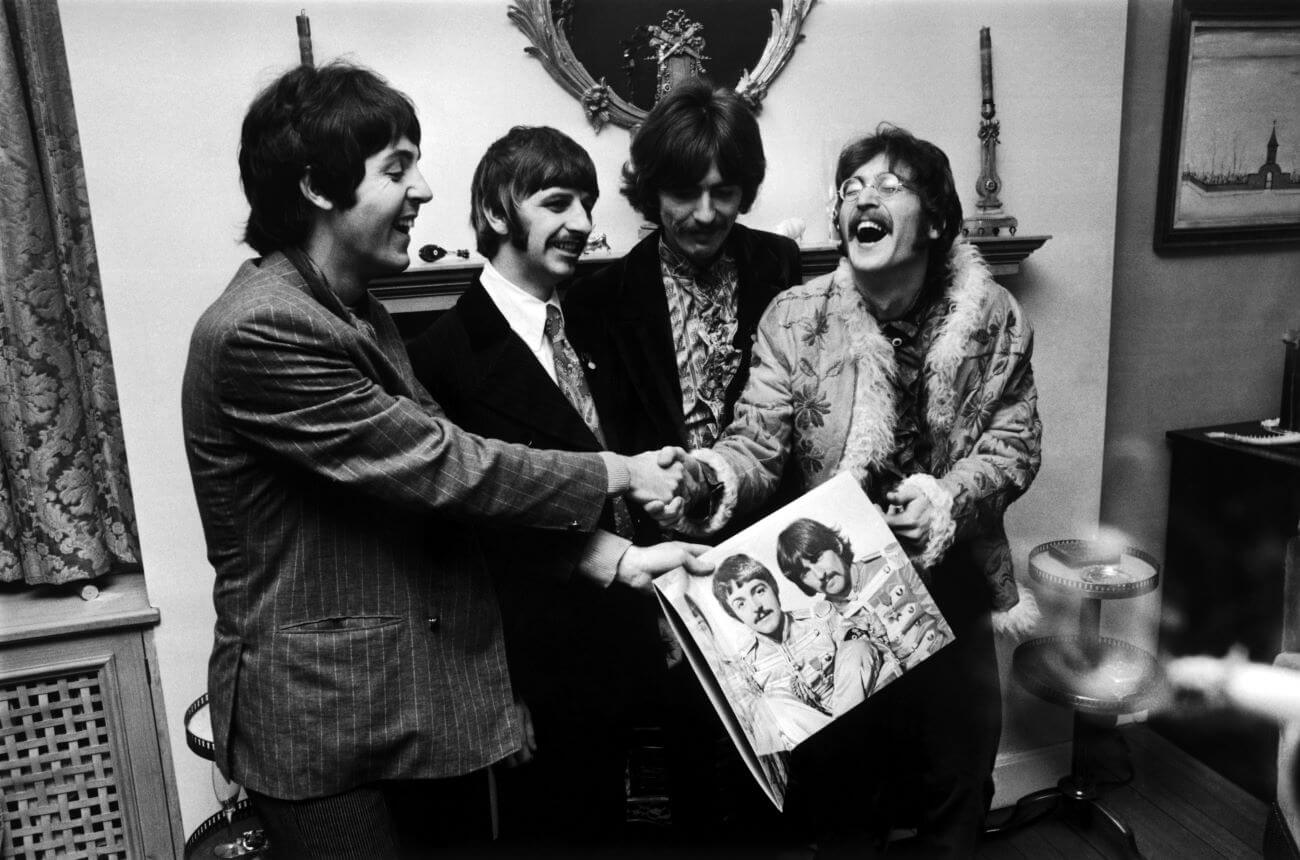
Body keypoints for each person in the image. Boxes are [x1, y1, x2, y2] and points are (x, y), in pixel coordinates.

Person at [181, 62, 686, 859]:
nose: (422, 190)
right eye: (397, 168)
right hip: (322, 730)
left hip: (410, 704)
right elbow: (446, 465)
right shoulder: (263, 328)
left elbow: (449, 503)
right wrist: (617, 472)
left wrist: (611, 560)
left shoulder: (362, 314)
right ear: (318, 185)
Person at [669, 123, 1043, 857]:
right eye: (850, 189)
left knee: (957, 786)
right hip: (829, 596)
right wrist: (711, 474)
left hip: (953, 582)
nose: (862, 200)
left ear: (935, 219)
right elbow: (757, 442)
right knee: (839, 801)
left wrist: (948, 498)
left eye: (889, 187)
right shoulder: (795, 318)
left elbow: (1016, 441)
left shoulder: (991, 316)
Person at [404, 125, 712, 853]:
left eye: (588, 203)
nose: (581, 223)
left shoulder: (595, 330)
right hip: (540, 683)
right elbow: (456, 548)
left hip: (639, 648)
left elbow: (622, 472)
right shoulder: (440, 358)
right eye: (557, 202)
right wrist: (497, 696)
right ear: (496, 209)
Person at [562, 78, 804, 844]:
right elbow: (595, 444)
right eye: (683, 192)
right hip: (665, 571)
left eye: (724, 191)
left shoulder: (780, 265)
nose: (704, 214)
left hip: (772, 552)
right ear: (649, 189)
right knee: (695, 773)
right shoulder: (599, 296)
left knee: (785, 768)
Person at [711, 554, 879, 732]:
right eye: (741, 604)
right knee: (770, 705)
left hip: (859, 710)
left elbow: (858, 643)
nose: (756, 607)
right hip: (813, 737)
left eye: (759, 591)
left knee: (857, 646)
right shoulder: (747, 665)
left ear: (774, 588)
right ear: (735, 615)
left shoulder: (820, 619)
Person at [774, 518, 947, 676]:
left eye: (818, 558)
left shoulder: (892, 562)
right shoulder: (827, 624)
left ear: (836, 545)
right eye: (805, 573)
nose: (820, 574)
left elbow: (943, 615)